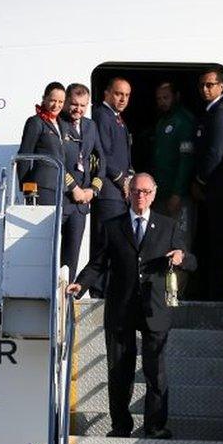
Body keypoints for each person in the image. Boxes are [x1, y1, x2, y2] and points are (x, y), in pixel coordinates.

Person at [67, 173, 196, 439]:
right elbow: (98, 263)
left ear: (154, 194)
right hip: (121, 308)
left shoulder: (167, 226)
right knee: (119, 371)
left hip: (154, 308)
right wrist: (80, 284)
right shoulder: (112, 225)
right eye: (137, 191)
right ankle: (120, 426)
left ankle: (155, 426)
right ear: (128, 193)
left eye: (146, 192)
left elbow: (191, 261)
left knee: (156, 372)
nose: (141, 197)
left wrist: (181, 257)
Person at [146, 82, 197, 282]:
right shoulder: (161, 121)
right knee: (158, 242)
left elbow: (186, 160)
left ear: (176, 96)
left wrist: (178, 192)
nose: (162, 102)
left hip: (177, 196)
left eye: (166, 97)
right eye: (159, 98)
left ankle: (180, 292)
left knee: (180, 244)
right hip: (160, 194)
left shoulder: (184, 121)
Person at [89, 77, 134, 297]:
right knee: (104, 240)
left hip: (119, 193)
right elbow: (103, 153)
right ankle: (98, 291)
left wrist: (131, 178)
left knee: (115, 241)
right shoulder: (101, 114)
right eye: (118, 94)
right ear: (107, 93)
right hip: (108, 191)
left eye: (126, 95)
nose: (123, 99)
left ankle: (107, 289)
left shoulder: (117, 118)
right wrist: (121, 179)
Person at [190, 68, 223, 301]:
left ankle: (216, 295)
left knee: (216, 243)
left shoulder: (221, 113)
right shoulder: (208, 112)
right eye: (202, 85)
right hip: (209, 191)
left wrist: (199, 180)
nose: (205, 89)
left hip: (215, 190)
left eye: (210, 85)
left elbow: (215, 153)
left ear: (221, 87)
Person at [57, 83, 106, 280]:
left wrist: (93, 190)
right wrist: (73, 187)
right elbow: (56, 161)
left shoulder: (90, 125)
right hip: (61, 198)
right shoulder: (57, 123)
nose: (78, 109)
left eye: (83, 106)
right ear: (67, 101)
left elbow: (101, 158)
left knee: (71, 262)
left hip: (81, 204)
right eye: (74, 104)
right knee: (50, 257)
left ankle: (66, 306)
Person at [17, 82, 67, 202]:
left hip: (60, 186)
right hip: (42, 187)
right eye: (53, 100)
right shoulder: (35, 122)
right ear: (44, 99)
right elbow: (24, 155)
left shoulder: (62, 124)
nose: (56, 105)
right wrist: (27, 188)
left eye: (61, 102)